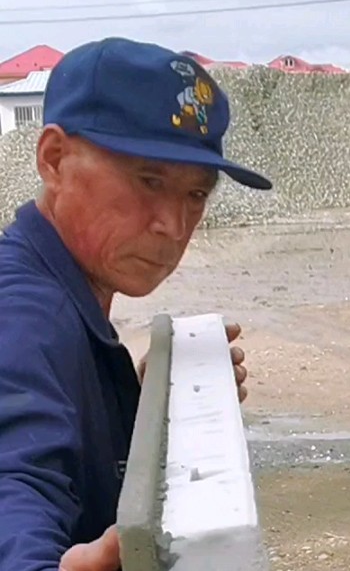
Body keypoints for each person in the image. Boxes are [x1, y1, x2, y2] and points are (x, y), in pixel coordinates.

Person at [0, 37, 273, 571]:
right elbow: (15, 477)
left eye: (196, 194)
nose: (173, 226)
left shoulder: (68, 303)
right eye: (149, 181)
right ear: (54, 159)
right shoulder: (28, 316)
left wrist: (143, 411)